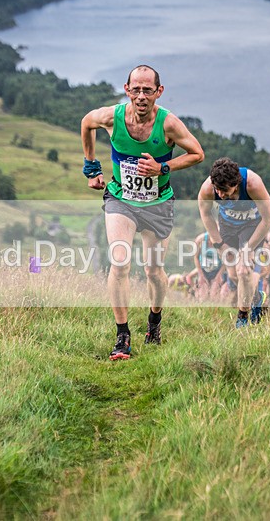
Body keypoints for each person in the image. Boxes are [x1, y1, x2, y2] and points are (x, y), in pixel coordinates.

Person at [81, 65, 204, 360]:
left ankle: (154, 323)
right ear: (126, 89)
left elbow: (198, 153)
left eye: (147, 90)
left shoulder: (169, 125)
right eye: (135, 89)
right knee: (120, 263)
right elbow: (86, 123)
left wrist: (163, 167)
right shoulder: (112, 118)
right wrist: (91, 167)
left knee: (153, 270)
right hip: (121, 199)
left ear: (158, 92)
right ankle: (122, 336)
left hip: (158, 203)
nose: (140, 96)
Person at [198, 157, 270, 328]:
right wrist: (218, 243)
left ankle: (242, 318)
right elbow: (206, 214)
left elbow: (268, 219)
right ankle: (257, 299)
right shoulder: (208, 189)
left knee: (243, 271)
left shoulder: (252, 184)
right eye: (218, 189)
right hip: (227, 226)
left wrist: (247, 249)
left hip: (252, 225)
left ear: (236, 183)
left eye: (225, 190)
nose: (221, 194)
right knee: (233, 275)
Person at [192, 231, 225, 301]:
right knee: (202, 296)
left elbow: (226, 261)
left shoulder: (223, 240)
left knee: (214, 295)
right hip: (203, 270)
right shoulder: (201, 239)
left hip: (217, 270)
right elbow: (196, 257)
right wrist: (200, 274)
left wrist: (219, 276)